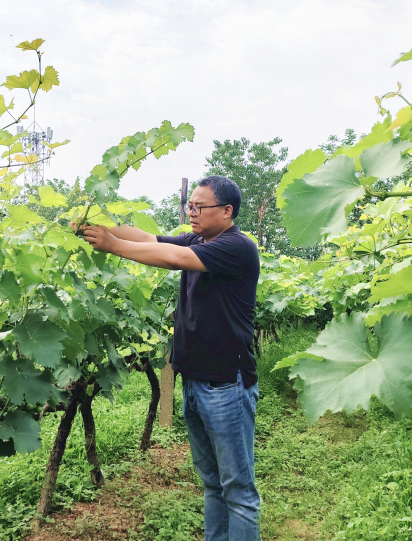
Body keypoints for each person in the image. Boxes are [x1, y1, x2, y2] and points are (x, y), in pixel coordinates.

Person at [80, 175, 261, 540]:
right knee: (212, 483)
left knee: (238, 492)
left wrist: (112, 245)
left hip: (226, 385)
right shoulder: (199, 240)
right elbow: (148, 239)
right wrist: (99, 229)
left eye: (199, 206)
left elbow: (173, 258)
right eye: (189, 206)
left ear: (227, 211)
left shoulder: (237, 246)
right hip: (195, 382)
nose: (191, 212)